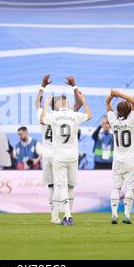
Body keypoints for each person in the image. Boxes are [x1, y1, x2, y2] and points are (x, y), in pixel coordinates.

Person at [40, 85, 91, 226]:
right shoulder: (74, 115)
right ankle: (67, 215)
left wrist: (45, 105)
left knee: (60, 187)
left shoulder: (53, 116)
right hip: (73, 156)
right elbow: (89, 115)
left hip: (58, 156)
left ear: (56, 104)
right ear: (66, 103)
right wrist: (84, 101)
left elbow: (42, 119)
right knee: (71, 187)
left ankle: (67, 216)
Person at [36, 74, 82, 221]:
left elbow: (38, 103)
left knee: (52, 186)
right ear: (60, 104)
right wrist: (75, 86)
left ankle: (54, 216)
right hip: (61, 154)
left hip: (48, 155)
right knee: (66, 186)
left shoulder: (46, 115)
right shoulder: (68, 116)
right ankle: (65, 214)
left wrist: (42, 86)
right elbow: (80, 103)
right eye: (65, 101)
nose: (67, 103)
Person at [106, 89, 134, 225]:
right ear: (129, 110)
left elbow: (107, 102)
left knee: (115, 188)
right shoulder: (132, 120)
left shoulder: (113, 121)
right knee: (130, 188)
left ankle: (114, 214)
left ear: (118, 111)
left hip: (117, 160)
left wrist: (112, 95)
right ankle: (126, 214)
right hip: (130, 159)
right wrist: (120, 94)